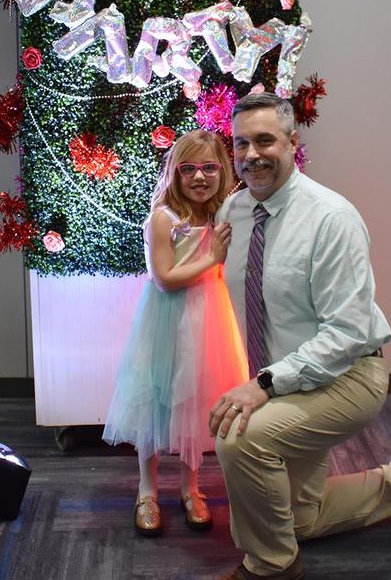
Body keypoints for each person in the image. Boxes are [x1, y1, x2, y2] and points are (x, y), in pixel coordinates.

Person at [209, 93, 391, 580]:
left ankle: (272, 567)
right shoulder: (233, 212)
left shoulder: (331, 218)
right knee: (298, 519)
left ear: (292, 142)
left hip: (347, 377)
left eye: (265, 141)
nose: (251, 155)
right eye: (241, 144)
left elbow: (346, 333)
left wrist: (262, 385)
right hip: (286, 381)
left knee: (239, 438)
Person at [103, 129, 250, 537]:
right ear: (174, 173)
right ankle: (147, 490)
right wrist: (212, 259)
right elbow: (165, 278)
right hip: (167, 319)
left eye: (209, 168)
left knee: (197, 403)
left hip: (209, 320)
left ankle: (191, 488)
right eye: (189, 169)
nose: (200, 177)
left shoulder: (222, 215)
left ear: (222, 171)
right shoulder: (163, 219)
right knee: (156, 401)